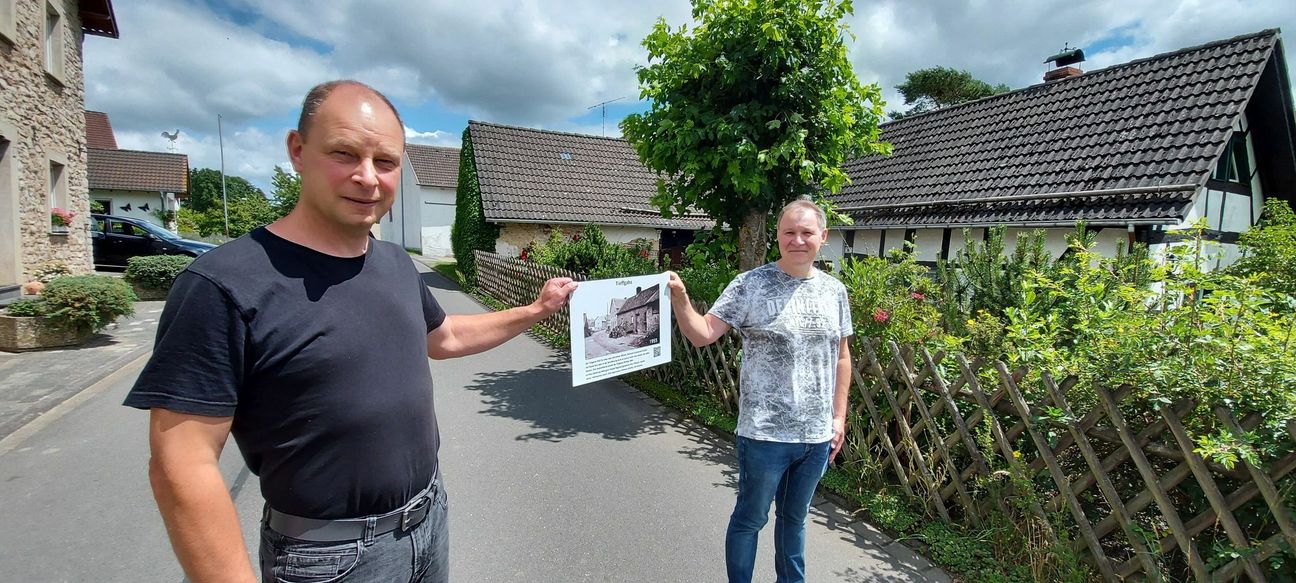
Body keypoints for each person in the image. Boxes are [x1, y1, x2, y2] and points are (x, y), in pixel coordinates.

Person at [124, 80, 577, 583]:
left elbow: (443, 336)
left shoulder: (395, 262)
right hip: (329, 557)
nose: (367, 177)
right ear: (298, 151)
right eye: (344, 153)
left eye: (385, 162)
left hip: (428, 521)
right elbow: (181, 466)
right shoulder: (222, 285)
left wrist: (536, 310)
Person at [666, 199, 853, 583]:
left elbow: (842, 357)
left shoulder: (835, 291)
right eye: (789, 232)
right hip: (764, 434)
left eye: (806, 232)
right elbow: (703, 335)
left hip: (816, 437)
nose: (797, 240)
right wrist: (681, 299)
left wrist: (838, 417)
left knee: (794, 520)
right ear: (778, 237)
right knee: (751, 519)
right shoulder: (750, 284)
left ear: (823, 237)